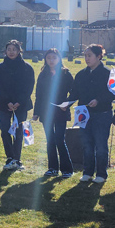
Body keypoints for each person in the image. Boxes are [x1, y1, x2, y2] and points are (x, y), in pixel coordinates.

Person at [69, 44, 114, 184]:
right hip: (84, 114)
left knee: (100, 145)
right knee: (87, 145)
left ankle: (101, 174)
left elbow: (113, 93)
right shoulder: (81, 74)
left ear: (99, 56)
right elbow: (75, 93)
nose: (86, 58)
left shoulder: (108, 73)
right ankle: (87, 172)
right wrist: (65, 104)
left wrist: (98, 100)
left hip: (102, 114)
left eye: (89, 55)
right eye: (85, 55)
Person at [0, 40, 35, 171]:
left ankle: (17, 159)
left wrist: (19, 102)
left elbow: (29, 87)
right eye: (9, 49)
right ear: (5, 51)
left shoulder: (27, 68)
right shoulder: (0, 68)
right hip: (4, 104)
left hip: (21, 105)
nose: (11, 52)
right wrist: (8, 101)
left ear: (19, 51)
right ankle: (10, 157)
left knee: (18, 130)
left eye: (14, 49)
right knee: (4, 129)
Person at [33, 48, 74, 178]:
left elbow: (74, 92)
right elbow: (39, 95)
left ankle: (67, 169)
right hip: (46, 112)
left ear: (59, 59)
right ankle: (52, 168)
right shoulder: (43, 74)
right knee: (50, 139)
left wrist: (67, 104)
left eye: (54, 58)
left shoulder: (66, 74)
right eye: (48, 58)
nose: (51, 60)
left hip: (61, 111)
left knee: (59, 139)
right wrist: (36, 112)